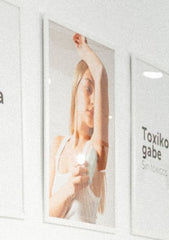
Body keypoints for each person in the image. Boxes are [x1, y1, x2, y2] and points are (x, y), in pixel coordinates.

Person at [48, 33, 109, 223]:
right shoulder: (58, 145)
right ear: (75, 90)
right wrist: (70, 187)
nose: (93, 102)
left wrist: (87, 54)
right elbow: (46, 212)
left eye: (97, 93)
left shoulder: (96, 150)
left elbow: (101, 74)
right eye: (88, 89)